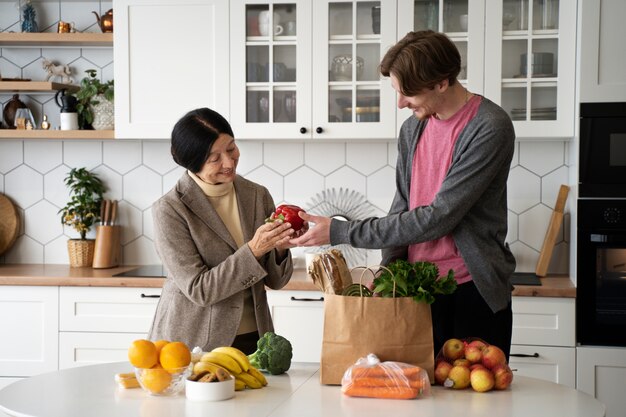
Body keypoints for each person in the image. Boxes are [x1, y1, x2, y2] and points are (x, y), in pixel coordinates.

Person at [291, 30, 516, 358]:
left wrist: (341, 231)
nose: (400, 104)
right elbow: (403, 206)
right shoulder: (413, 128)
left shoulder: (490, 126)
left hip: (473, 290)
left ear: (441, 82)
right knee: (414, 398)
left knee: (476, 403)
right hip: (416, 290)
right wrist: (388, 270)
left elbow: (439, 217)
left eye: (407, 93)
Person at [148, 107, 304, 355]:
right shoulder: (170, 210)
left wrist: (280, 248)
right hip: (193, 345)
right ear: (193, 162)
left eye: (231, 148)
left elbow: (276, 281)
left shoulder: (257, 195)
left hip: (255, 341)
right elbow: (200, 290)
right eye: (214, 158)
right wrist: (255, 249)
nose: (229, 163)